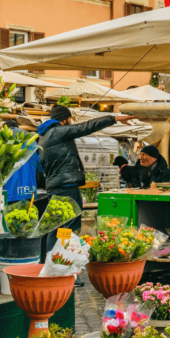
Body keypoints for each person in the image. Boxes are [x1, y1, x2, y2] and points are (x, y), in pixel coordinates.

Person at [38, 105, 120, 276]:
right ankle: (64, 269)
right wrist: (113, 119)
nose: (70, 122)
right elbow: (86, 127)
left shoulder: (44, 136)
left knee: (57, 228)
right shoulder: (58, 131)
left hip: (56, 187)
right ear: (64, 119)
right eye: (69, 119)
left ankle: (52, 268)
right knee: (68, 229)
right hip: (66, 188)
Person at [2, 119, 39, 203]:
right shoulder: (31, 145)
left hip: (11, 192)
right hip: (30, 191)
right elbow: (39, 167)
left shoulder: (4, 145)